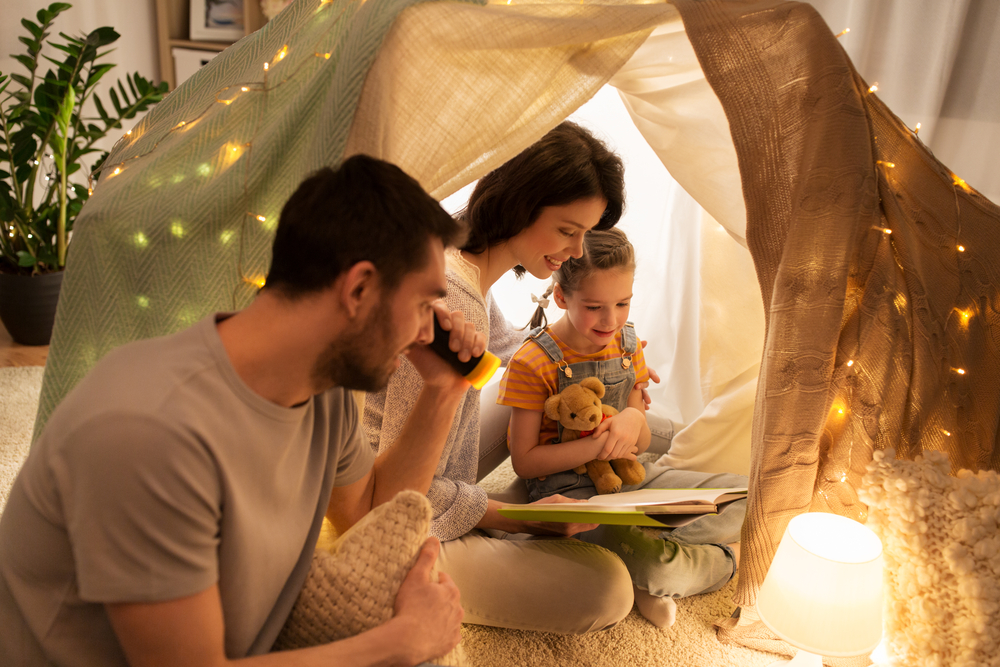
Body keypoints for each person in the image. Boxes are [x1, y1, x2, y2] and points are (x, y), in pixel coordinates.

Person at [0, 155, 484, 666]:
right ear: (359, 288)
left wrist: (444, 389)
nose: (429, 333)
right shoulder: (148, 432)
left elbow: (369, 511)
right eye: (422, 305)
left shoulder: (325, 388)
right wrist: (402, 640)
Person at [363, 121, 639, 634]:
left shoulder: (461, 262)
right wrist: (514, 517)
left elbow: (519, 351)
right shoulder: (449, 297)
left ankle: (500, 515)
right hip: (382, 527)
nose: (576, 252)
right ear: (520, 201)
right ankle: (495, 522)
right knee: (607, 589)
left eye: (584, 234)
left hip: (424, 475)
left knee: (534, 397)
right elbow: (398, 497)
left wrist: (607, 357)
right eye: (567, 230)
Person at [499, 227, 748, 628]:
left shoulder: (626, 344)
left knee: (750, 497)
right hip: (573, 497)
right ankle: (726, 560)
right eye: (595, 306)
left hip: (634, 479)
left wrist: (633, 417)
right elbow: (525, 463)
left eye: (623, 303)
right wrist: (599, 448)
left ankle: (652, 564)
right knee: (660, 567)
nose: (610, 319)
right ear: (562, 297)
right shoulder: (532, 363)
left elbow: (643, 442)